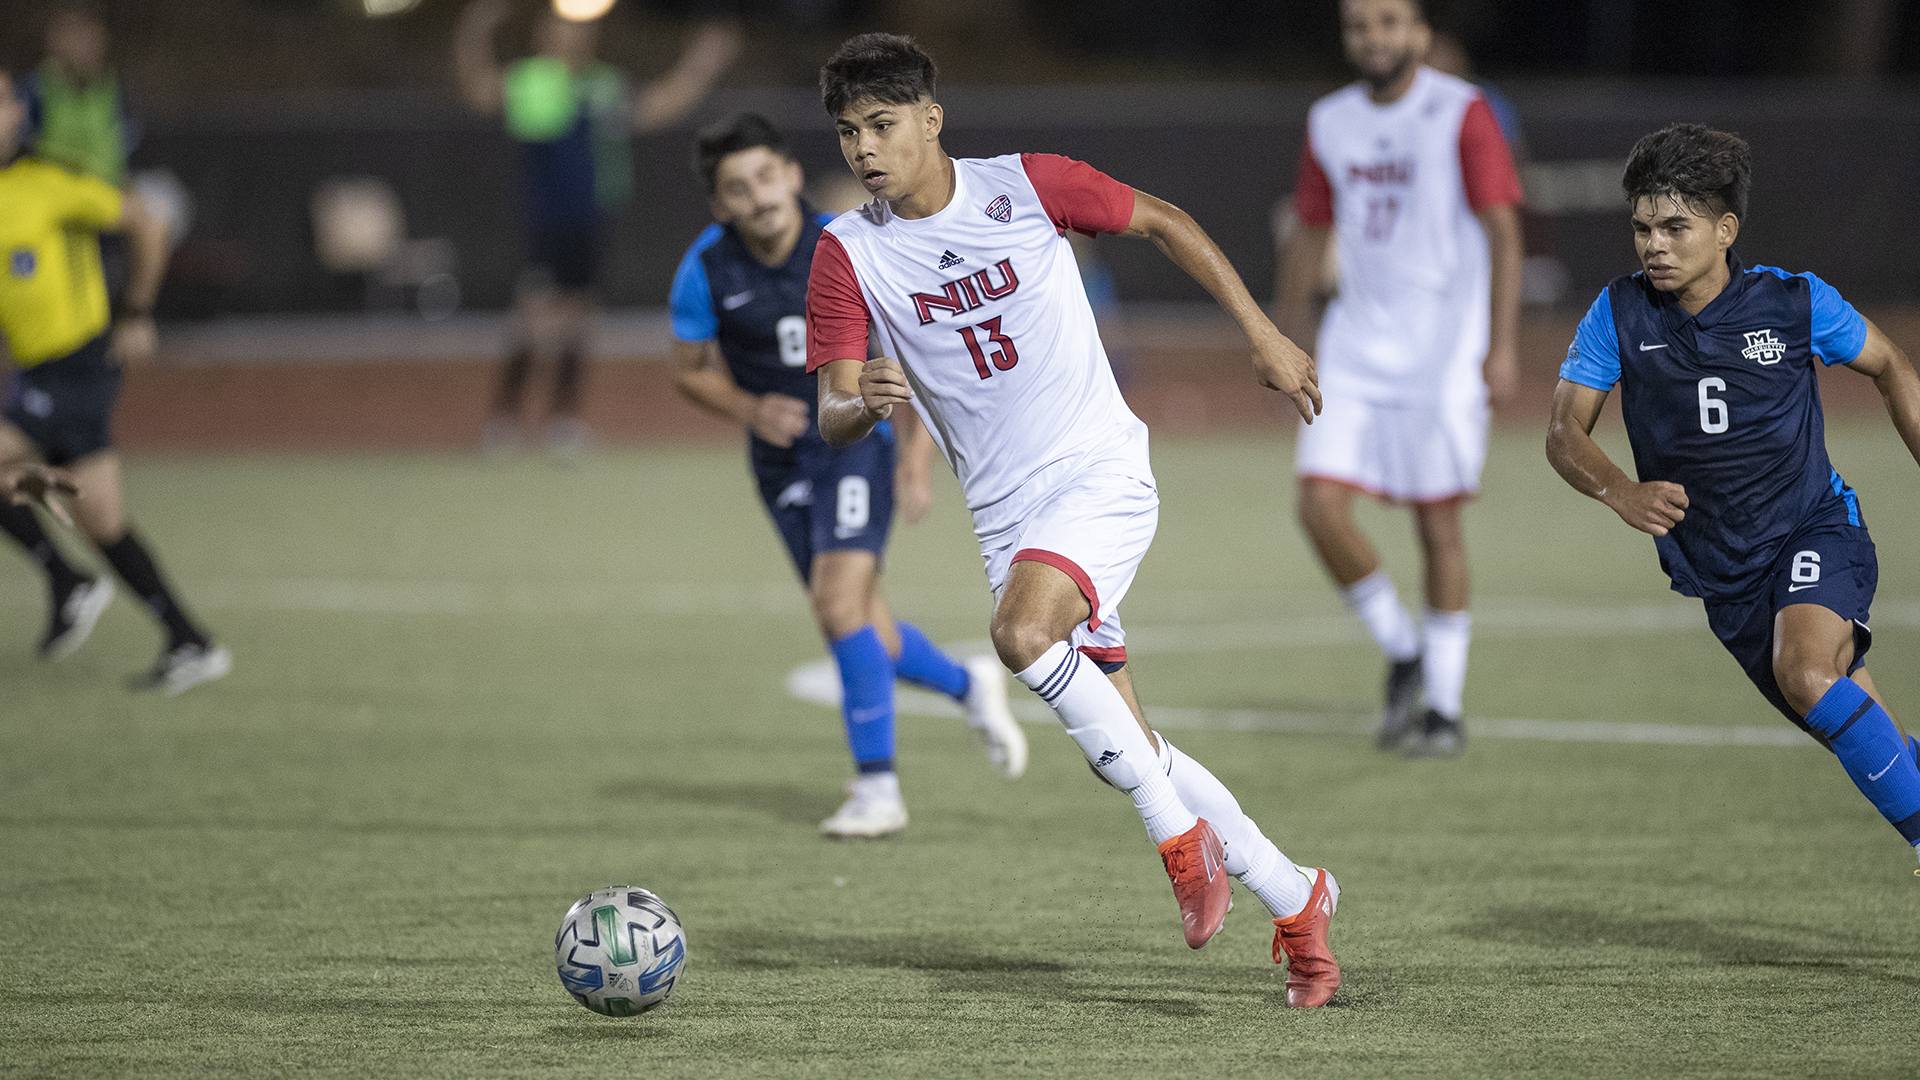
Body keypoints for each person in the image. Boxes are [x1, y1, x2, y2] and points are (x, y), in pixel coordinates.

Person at [806, 33, 1342, 1007]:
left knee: (1019, 637)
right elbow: (833, 411)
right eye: (848, 133)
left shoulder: (1027, 185)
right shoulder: (847, 252)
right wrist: (864, 402)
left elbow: (1167, 222)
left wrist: (1263, 333)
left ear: (930, 119)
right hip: (1007, 519)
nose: (864, 150)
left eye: (881, 125)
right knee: (1136, 751)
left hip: (1099, 473)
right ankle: (1298, 899)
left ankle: (1180, 848)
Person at [1546, 124, 1920, 869]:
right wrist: (1620, 490)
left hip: (1815, 530)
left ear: (1725, 230)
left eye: (1675, 227)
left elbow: (1891, 364)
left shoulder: (1795, 304)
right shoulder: (1618, 314)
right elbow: (1564, 431)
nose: (1654, 244)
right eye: (1643, 227)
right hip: (1724, 575)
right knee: (1849, 717)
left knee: (1807, 673)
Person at [669, 113, 1026, 837]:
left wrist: (917, 459)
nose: (759, 197)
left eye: (767, 176)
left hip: (855, 446)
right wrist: (749, 407)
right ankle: (967, 683)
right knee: (867, 625)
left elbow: (916, 355)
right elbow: (689, 374)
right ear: (720, 205)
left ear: (793, 176)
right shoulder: (704, 268)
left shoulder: (853, 245)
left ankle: (877, 789)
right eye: (738, 188)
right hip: (779, 465)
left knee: (836, 606)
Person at [1275, 0, 1522, 756]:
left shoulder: (1462, 112)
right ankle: (1402, 648)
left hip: (1443, 348)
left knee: (1435, 523)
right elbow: (1313, 232)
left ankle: (1443, 708)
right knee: (1318, 506)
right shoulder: (1330, 120)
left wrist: (1500, 344)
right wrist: (1278, 334)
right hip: (1355, 341)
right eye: (1359, 25)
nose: (1373, 38)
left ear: (1418, 32)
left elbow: (1504, 234)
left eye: (1389, 22)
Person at [0, 67, 229, 692]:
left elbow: (148, 222)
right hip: (39, 374)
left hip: (77, 365)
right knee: (103, 521)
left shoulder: (48, 180)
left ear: (19, 113)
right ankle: (190, 640)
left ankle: (65, 579)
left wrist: (138, 311)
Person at [454, 0, 740, 457]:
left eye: (577, 33)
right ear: (543, 39)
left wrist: (702, 63)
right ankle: (504, 421)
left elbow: (658, 105)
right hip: (546, 219)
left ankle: (563, 421)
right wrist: (473, 33)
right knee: (532, 318)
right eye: (559, 33)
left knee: (578, 318)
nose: (570, 39)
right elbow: (479, 91)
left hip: (592, 220)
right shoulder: (531, 80)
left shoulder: (601, 86)